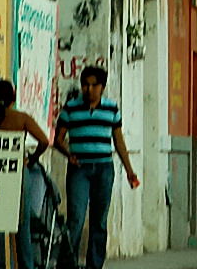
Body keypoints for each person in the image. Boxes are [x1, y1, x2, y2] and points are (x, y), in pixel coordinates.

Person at [54, 67, 138, 269]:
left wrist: (129, 170)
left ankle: (95, 264)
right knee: (76, 218)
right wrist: (69, 155)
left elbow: (118, 141)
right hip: (79, 169)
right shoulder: (71, 108)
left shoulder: (111, 109)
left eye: (94, 85)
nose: (89, 89)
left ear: (102, 87)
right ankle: (67, 263)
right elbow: (58, 139)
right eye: (85, 84)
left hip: (103, 168)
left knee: (99, 220)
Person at [0, 80, 50, 269]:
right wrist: (31, 159)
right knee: (21, 224)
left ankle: (1, 264)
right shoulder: (21, 118)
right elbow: (44, 141)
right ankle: (26, 265)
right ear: (13, 99)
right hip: (17, 171)